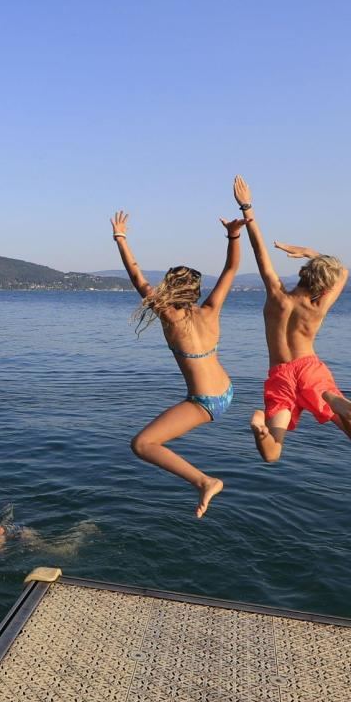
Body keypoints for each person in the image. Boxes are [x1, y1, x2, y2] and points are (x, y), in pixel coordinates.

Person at [111, 209, 245, 517]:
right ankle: (204, 481)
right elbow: (231, 269)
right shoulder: (210, 310)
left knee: (143, 444)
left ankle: (205, 481)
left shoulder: (168, 316)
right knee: (146, 441)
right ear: (195, 293)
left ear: (169, 289)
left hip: (205, 402)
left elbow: (136, 276)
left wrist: (120, 238)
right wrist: (233, 234)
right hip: (226, 390)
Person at [232, 175, 351, 461]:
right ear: (323, 287)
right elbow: (343, 272)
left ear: (300, 273)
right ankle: (330, 398)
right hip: (311, 373)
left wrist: (247, 207)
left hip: (280, 374)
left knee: (272, 454)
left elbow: (261, 254)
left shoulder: (277, 297)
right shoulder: (318, 307)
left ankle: (261, 428)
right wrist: (310, 252)